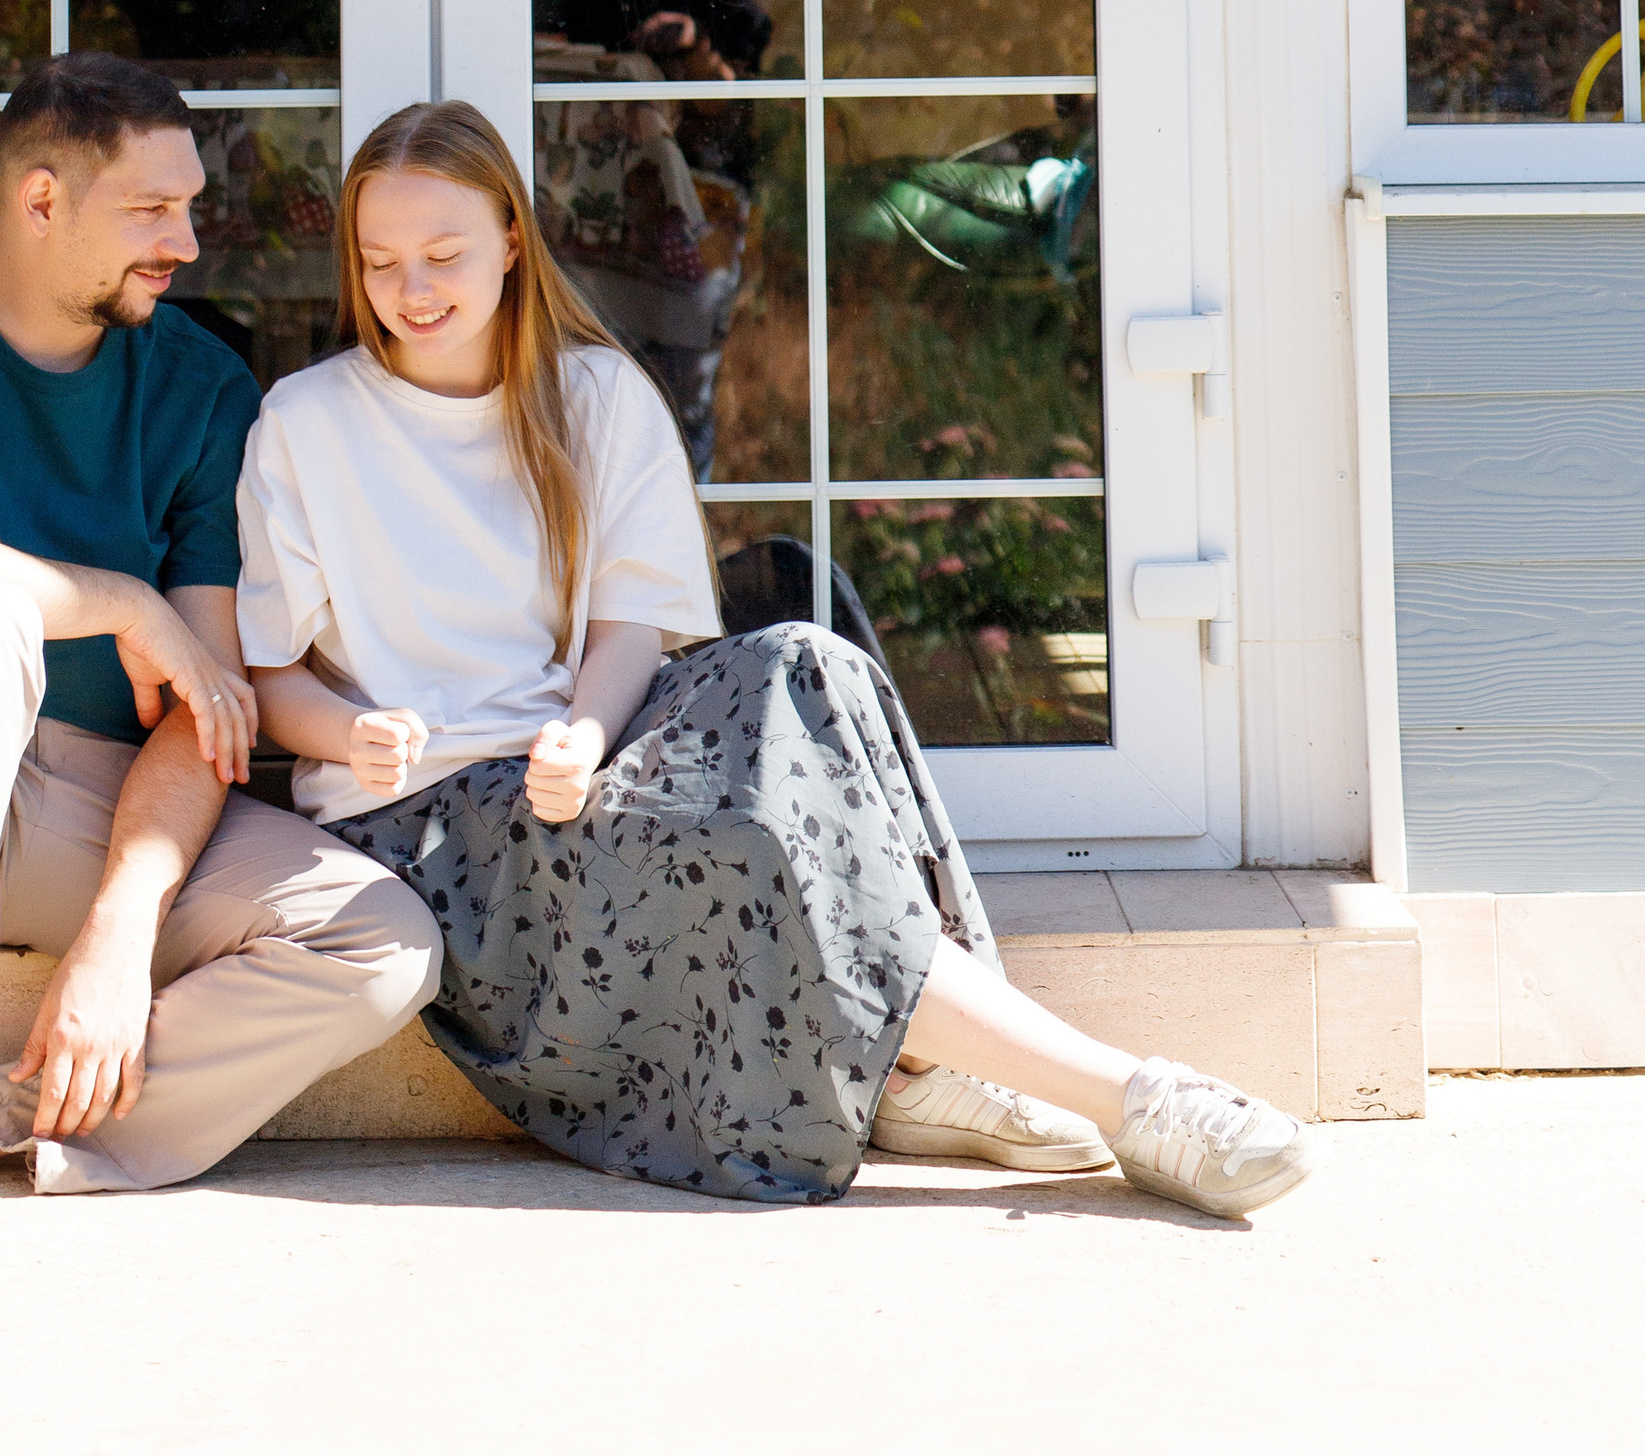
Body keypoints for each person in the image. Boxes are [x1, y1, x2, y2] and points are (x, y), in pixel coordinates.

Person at [236, 95, 1325, 1219]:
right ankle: (1125, 1097)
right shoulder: (305, 424)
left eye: (443, 254)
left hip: (574, 759)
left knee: (812, 662)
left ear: (513, 240)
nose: (411, 290)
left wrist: (585, 732)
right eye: (379, 263)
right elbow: (274, 680)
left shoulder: (595, 396)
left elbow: (623, 631)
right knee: (735, 830)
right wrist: (351, 737)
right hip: (430, 820)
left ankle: (928, 1068)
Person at [0, 54, 442, 1299]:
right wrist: (117, 600)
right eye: (150, 211)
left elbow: (209, 702)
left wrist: (123, 933)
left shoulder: (197, 388)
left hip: (77, 800)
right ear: (41, 201)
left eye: (189, 207)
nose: (185, 241)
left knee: (378, 940)